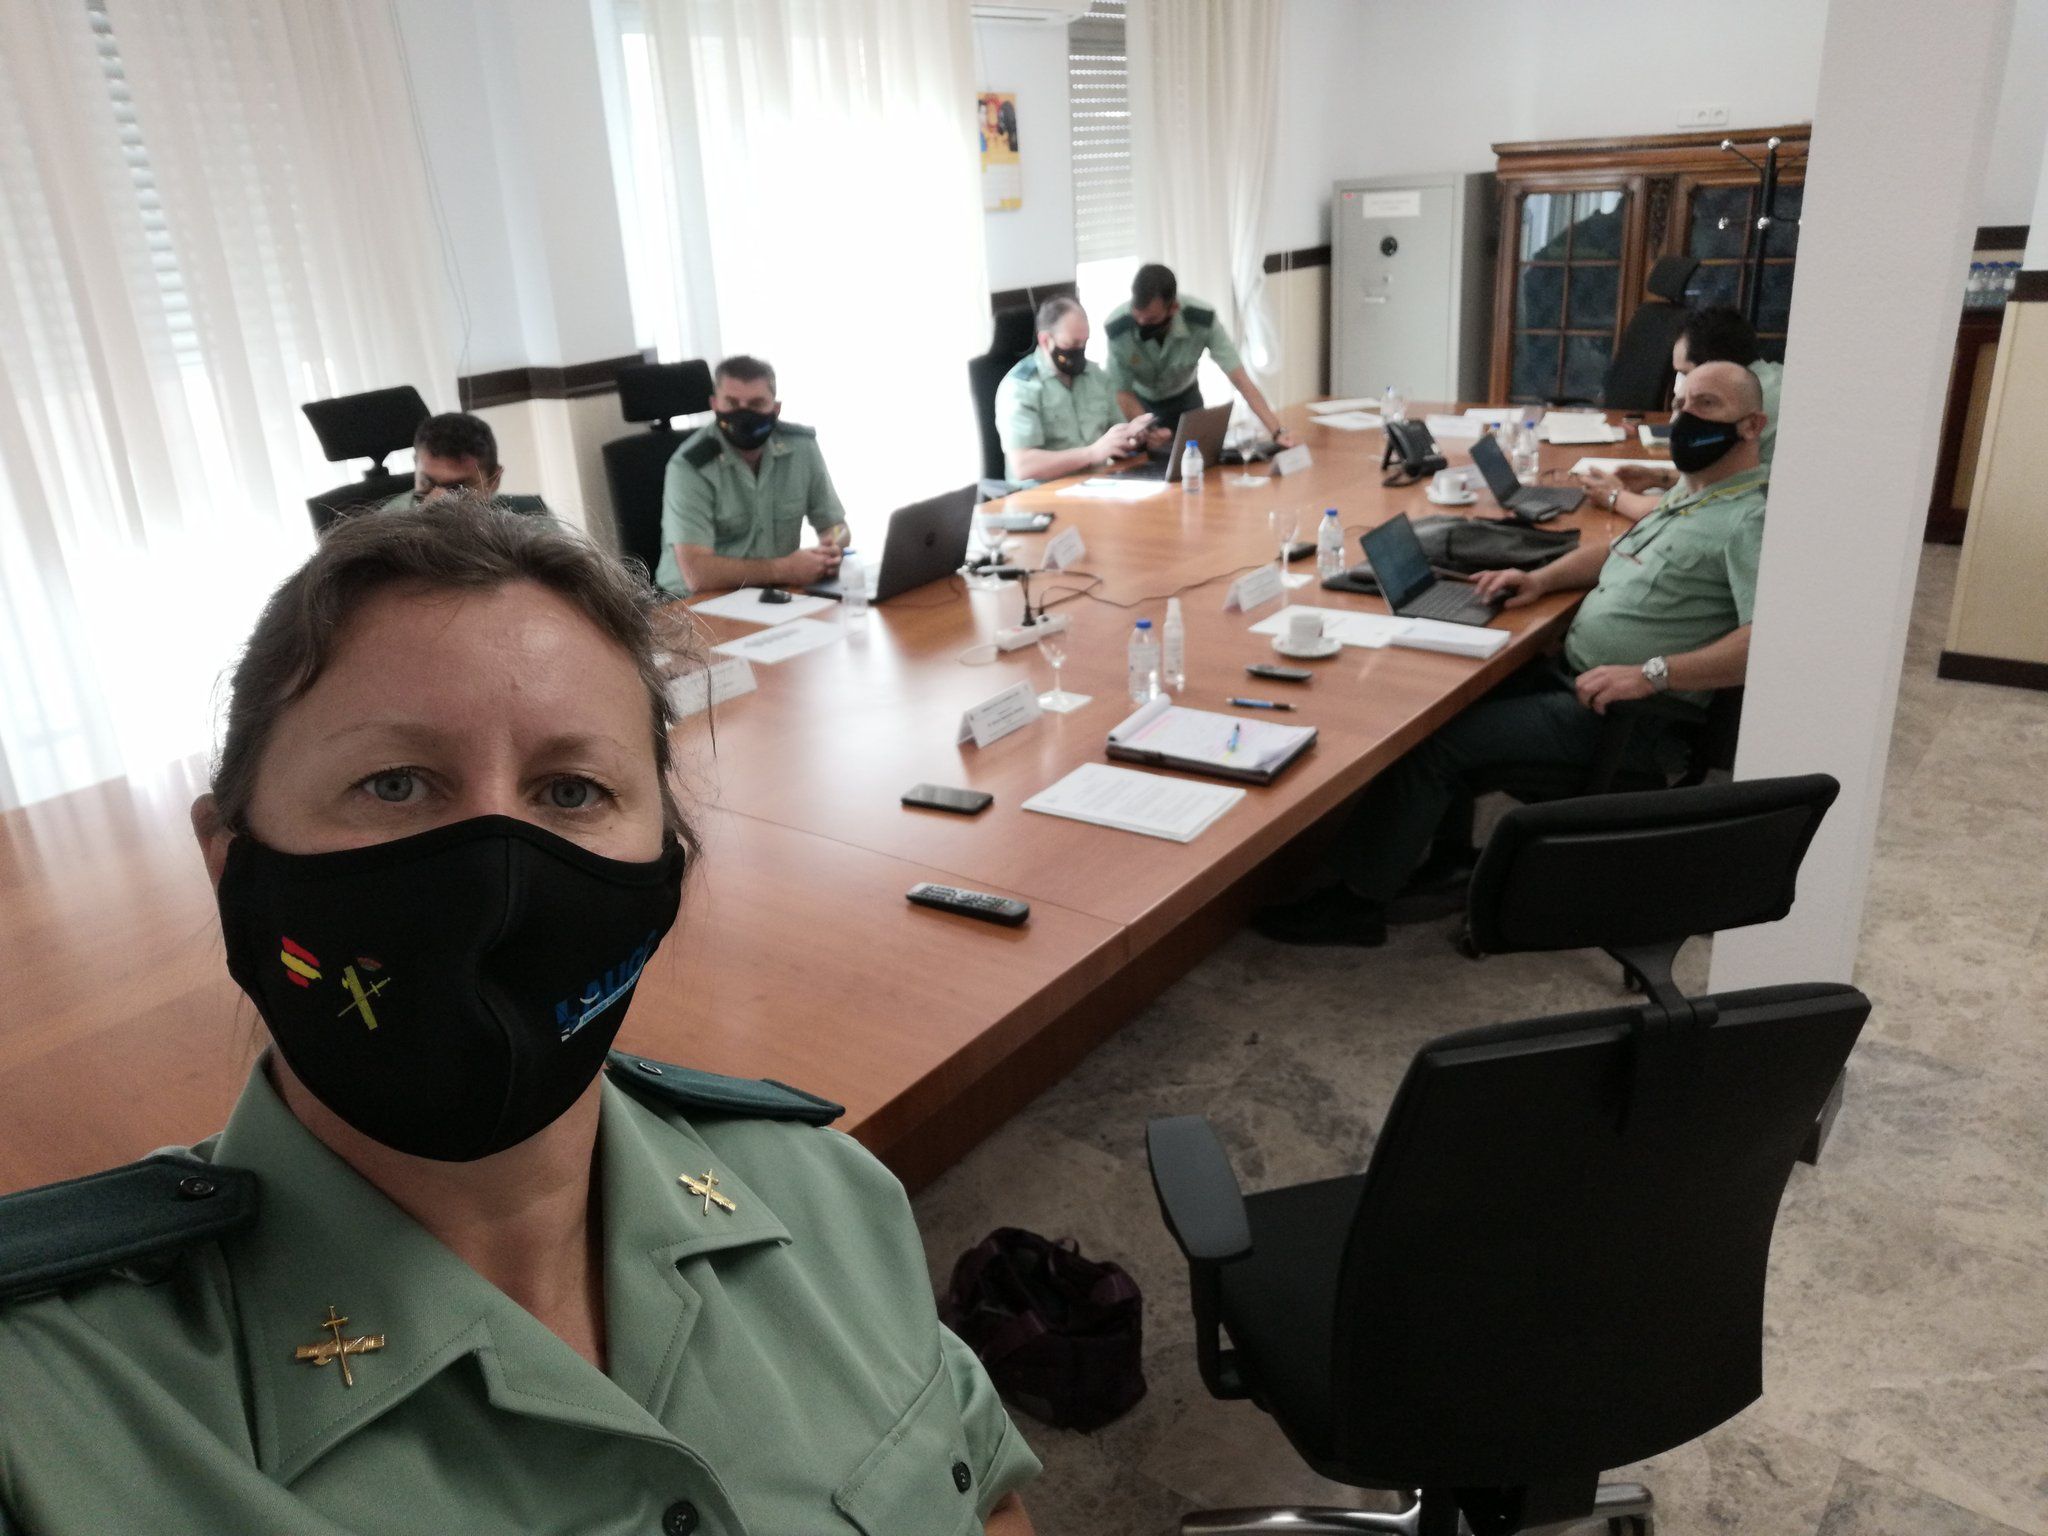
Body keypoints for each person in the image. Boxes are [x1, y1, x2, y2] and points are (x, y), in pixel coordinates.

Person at [0, 503, 1040, 1534]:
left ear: (666, 863)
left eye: (572, 790)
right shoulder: (42, 1421)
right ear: (232, 863)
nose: (496, 878)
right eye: (394, 783)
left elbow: (983, 1498)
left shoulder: (829, 1199)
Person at [1255, 362, 1769, 947]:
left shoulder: (1748, 519)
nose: (1683, 419)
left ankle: (1357, 904)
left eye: (1705, 406)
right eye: (1678, 403)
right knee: (1439, 697)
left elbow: (1765, 644)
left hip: (1628, 719)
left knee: (1435, 740)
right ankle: (1442, 859)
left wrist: (1652, 675)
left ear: (1752, 425)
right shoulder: (1691, 492)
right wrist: (1540, 581)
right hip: (1573, 678)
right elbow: (1616, 551)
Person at [654, 355, 850, 597]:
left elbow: (837, 526)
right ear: (715, 405)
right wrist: (784, 570)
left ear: (775, 409)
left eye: (756, 404)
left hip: (771, 594)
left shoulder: (801, 447)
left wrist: (832, 547)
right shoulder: (690, 466)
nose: (743, 414)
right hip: (691, 605)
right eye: (733, 404)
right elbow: (696, 573)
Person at [1578, 305, 1783, 523]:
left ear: (1714, 368)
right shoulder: (1774, 381)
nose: (1682, 387)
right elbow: (1733, 479)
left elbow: (1687, 509)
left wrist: (1614, 496)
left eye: (1686, 374)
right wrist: (1660, 477)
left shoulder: (1746, 406)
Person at [1103, 263, 1297, 448]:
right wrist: (1149, 430)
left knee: (1196, 462)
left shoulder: (1201, 319)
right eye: (1138, 317)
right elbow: (1123, 393)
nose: (1142, 324)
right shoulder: (1118, 328)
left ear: (1173, 308)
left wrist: (1277, 431)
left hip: (1186, 400)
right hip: (1141, 405)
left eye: (1151, 319)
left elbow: (1239, 378)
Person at [994, 296, 1149, 485]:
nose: (1080, 351)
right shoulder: (1020, 387)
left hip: (1095, 484)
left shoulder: (1096, 377)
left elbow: (1115, 435)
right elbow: (1023, 466)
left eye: (1084, 343)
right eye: (1073, 344)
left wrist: (1134, 436)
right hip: (1041, 496)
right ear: (1045, 340)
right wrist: (1092, 453)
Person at [379, 412, 549, 514]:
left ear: (494, 480)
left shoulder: (530, 516)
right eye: (427, 482)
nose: (439, 499)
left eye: (458, 488)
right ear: (416, 466)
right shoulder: (388, 526)